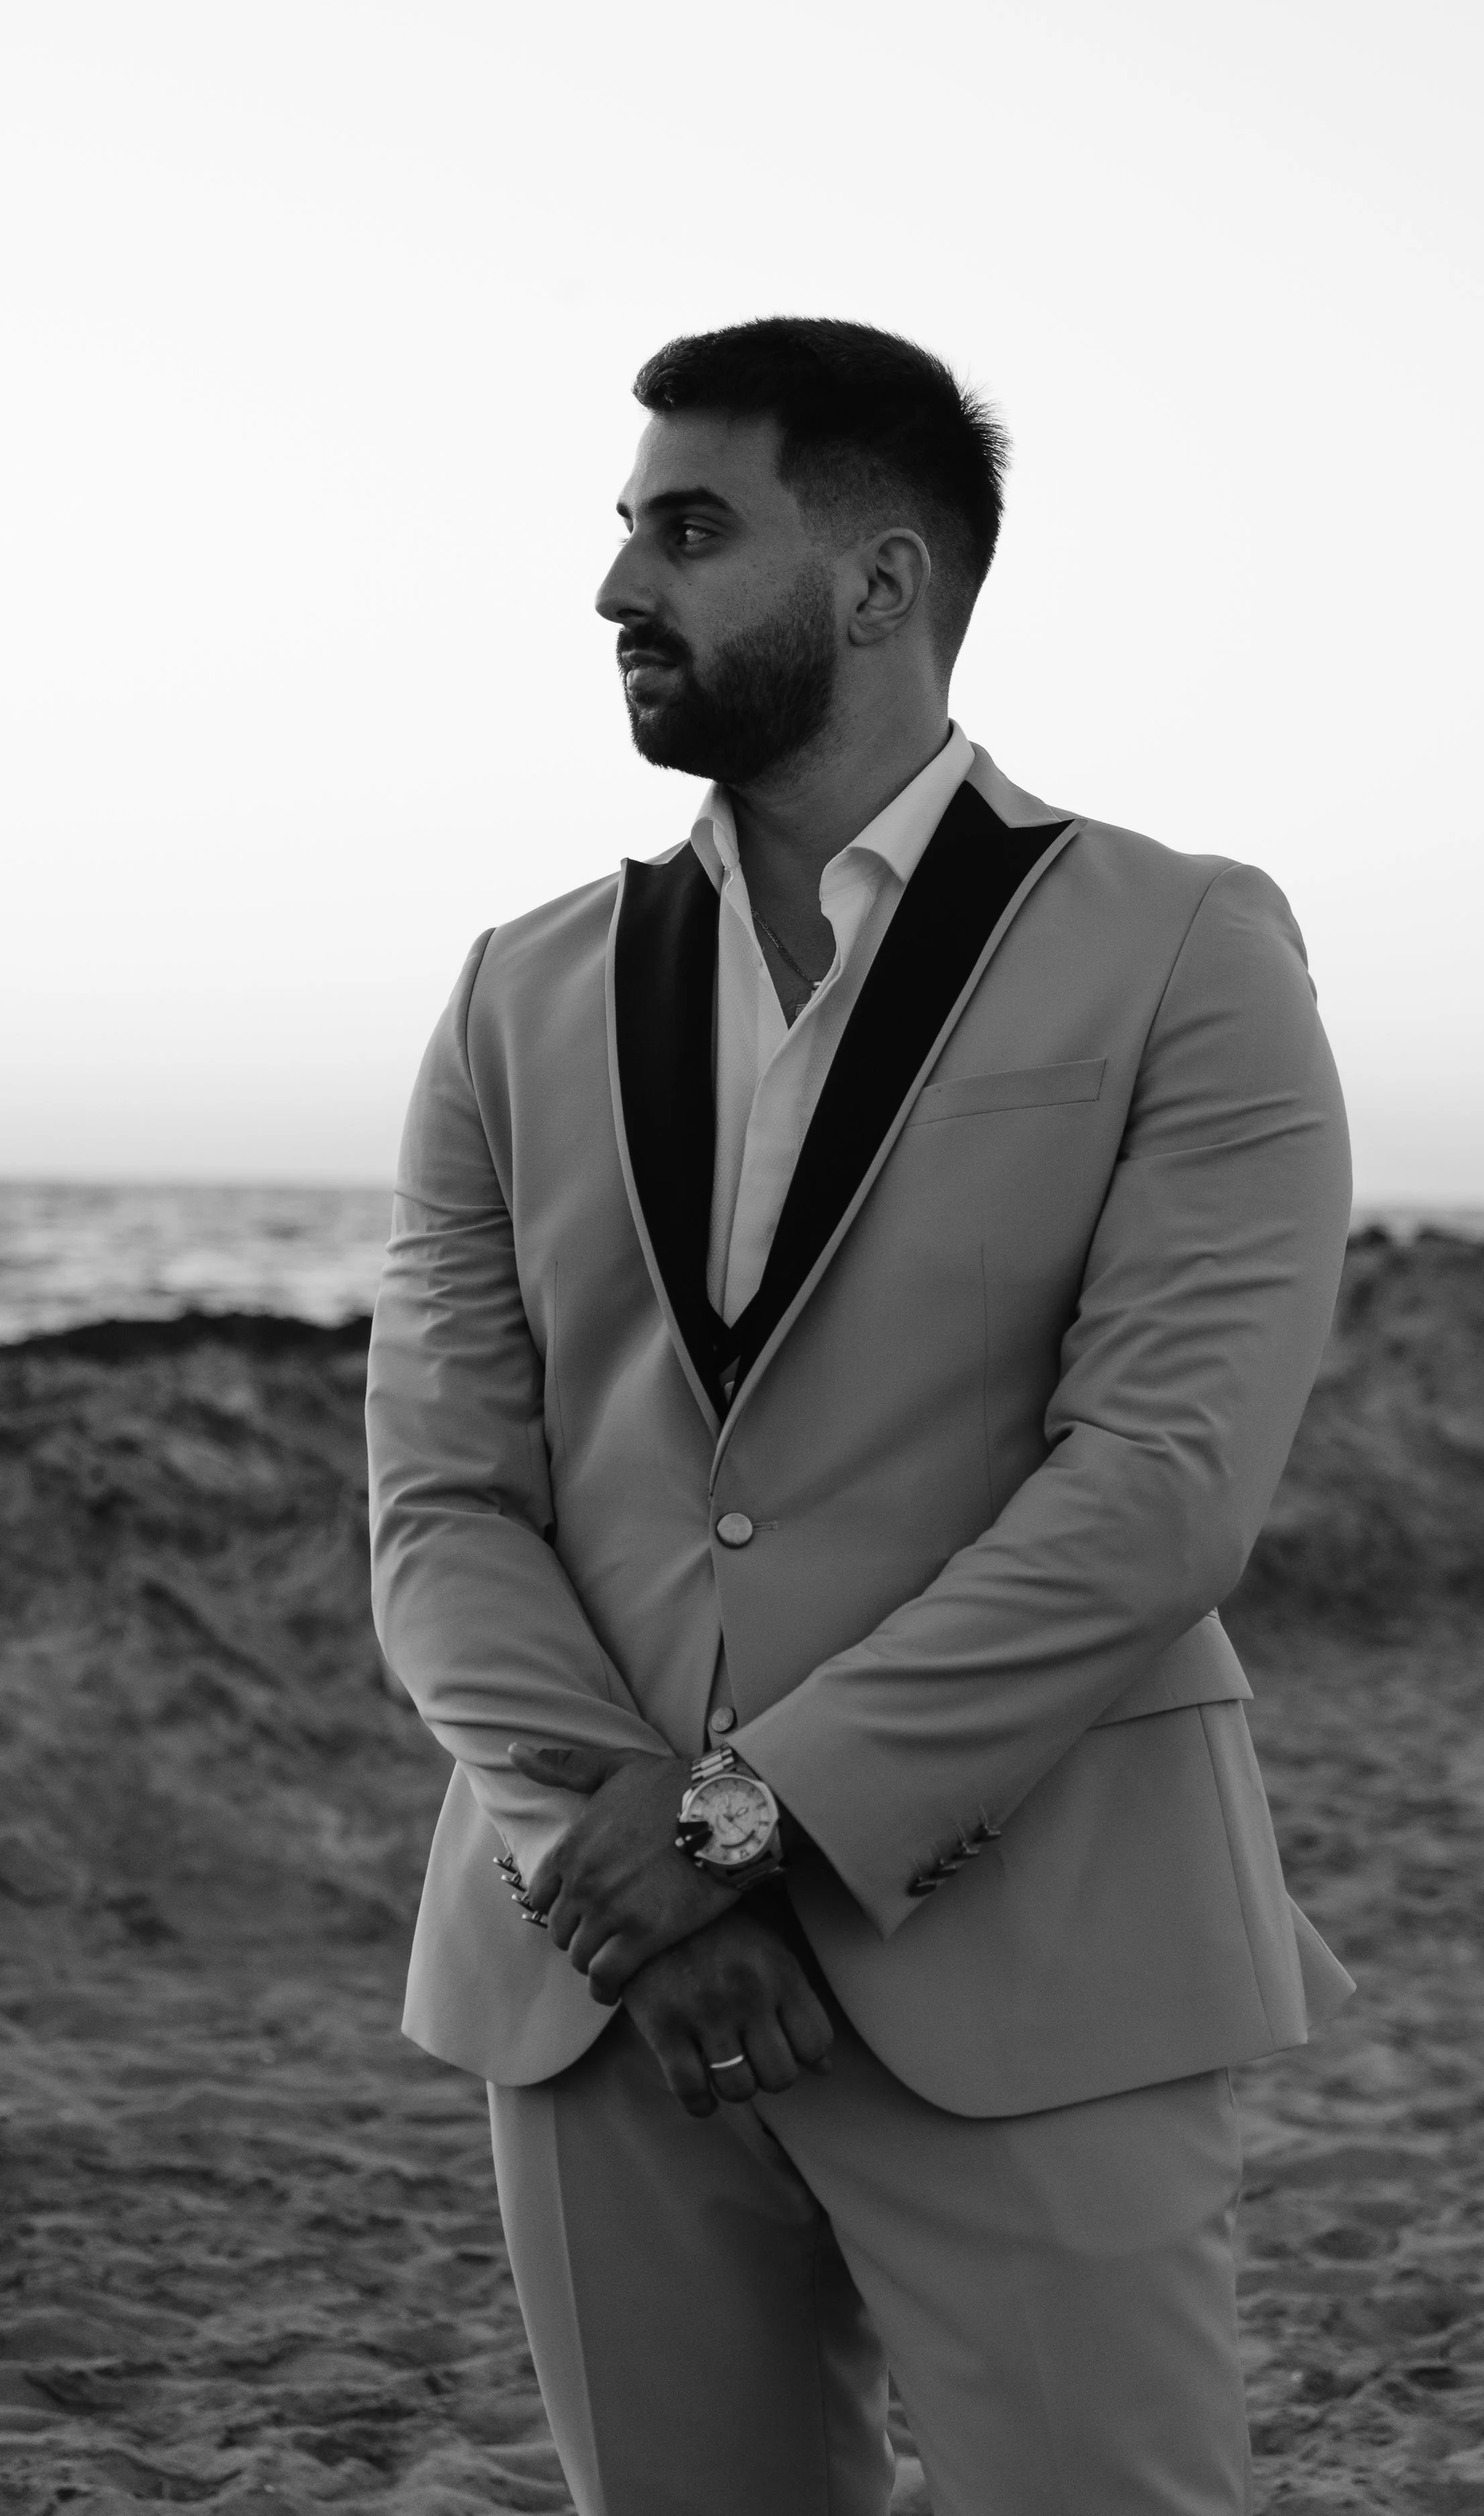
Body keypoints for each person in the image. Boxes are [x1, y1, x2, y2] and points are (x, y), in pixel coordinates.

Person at [366, 315, 1355, 2516]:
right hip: (597, 1980)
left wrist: (750, 1824)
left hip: (1034, 1963)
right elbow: (438, 1502)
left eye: (689, 529)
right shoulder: (513, 988)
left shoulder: (1180, 946)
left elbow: (1161, 1487)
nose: (620, 588)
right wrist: (611, 1850)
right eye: (624, 531)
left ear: (886, 583)